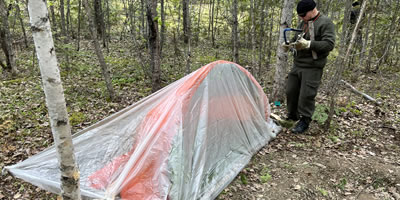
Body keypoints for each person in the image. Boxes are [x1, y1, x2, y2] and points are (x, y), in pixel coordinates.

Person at [283, 0, 336, 133]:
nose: (301, 17)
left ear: (313, 10)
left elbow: (329, 44)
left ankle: (305, 120)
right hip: (298, 64)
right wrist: (290, 45)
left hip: (313, 66)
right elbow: (297, 39)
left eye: (303, 14)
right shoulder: (304, 22)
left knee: (307, 94)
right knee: (291, 90)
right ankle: (292, 115)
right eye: (299, 15)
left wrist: (309, 44)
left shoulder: (325, 23)